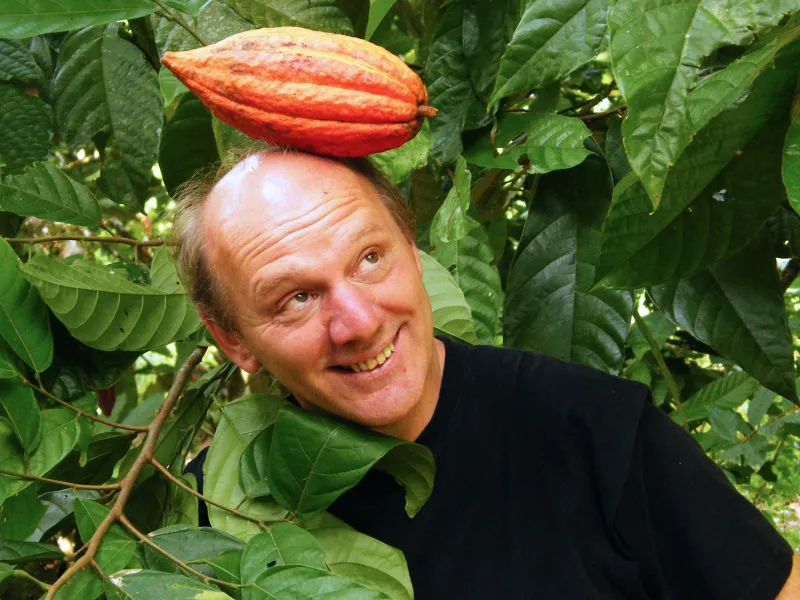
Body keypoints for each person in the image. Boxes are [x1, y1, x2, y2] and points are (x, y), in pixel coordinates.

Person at [174, 148, 800, 599]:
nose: (358, 321)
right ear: (233, 339)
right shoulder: (213, 510)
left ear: (413, 250)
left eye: (369, 258)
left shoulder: (595, 431)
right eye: (296, 298)